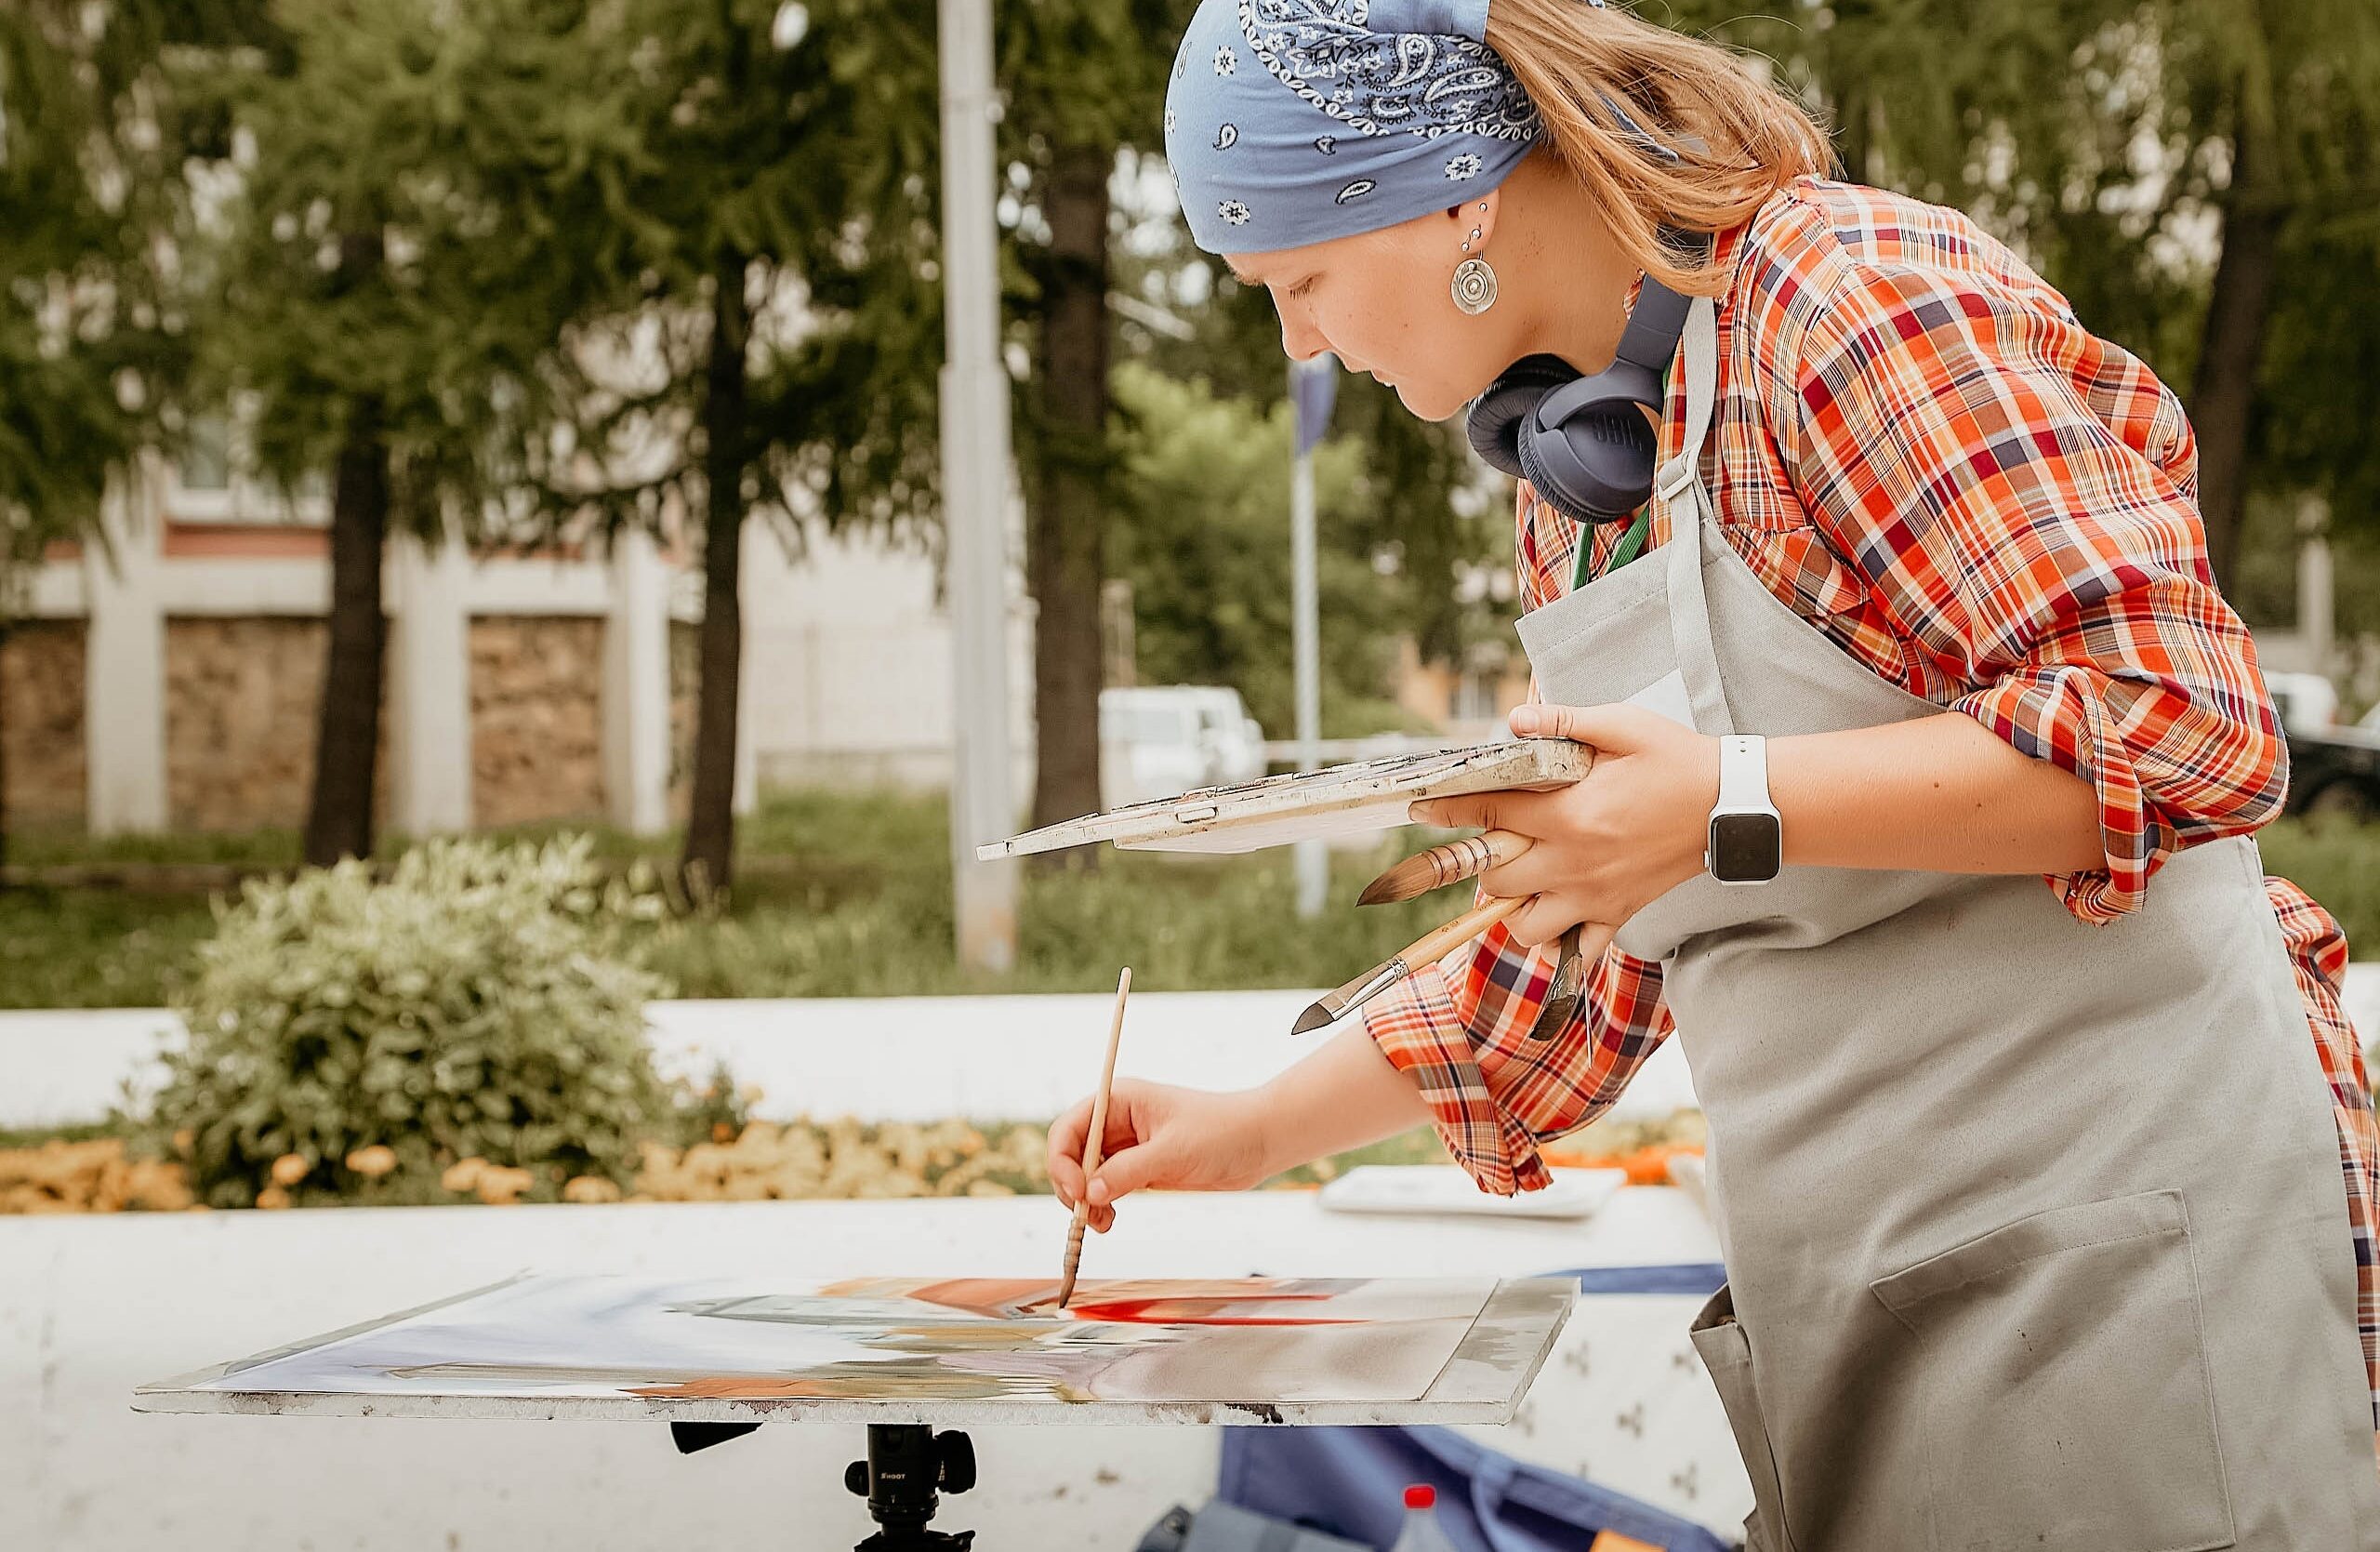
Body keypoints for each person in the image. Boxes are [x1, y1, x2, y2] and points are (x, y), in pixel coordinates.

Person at [1045, 1, 2380, 1546]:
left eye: (1302, 281)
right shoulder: (1580, 474)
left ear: (1452, 192)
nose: (1297, 340)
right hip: (1872, 1303)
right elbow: (1598, 925)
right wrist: (1247, 1128)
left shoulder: (1849, 300)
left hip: (2133, 1278)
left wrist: (1730, 801)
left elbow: (2184, 718)